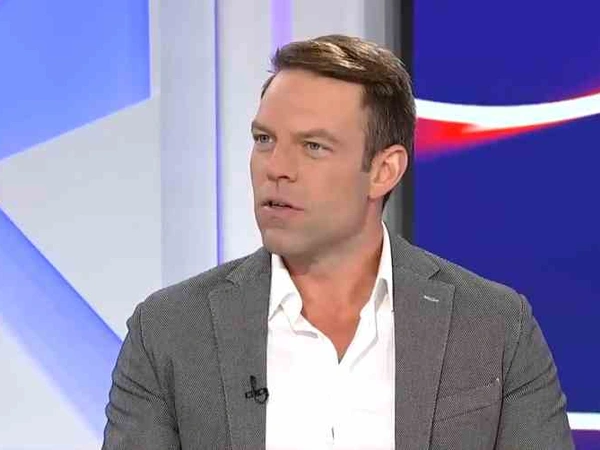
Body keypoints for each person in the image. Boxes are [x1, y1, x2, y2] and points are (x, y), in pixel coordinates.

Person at [102, 35, 574, 450]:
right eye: (264, 139)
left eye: (313, 146)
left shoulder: (493, 327)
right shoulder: (170, 332)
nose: (276, 168)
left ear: (384, 171)